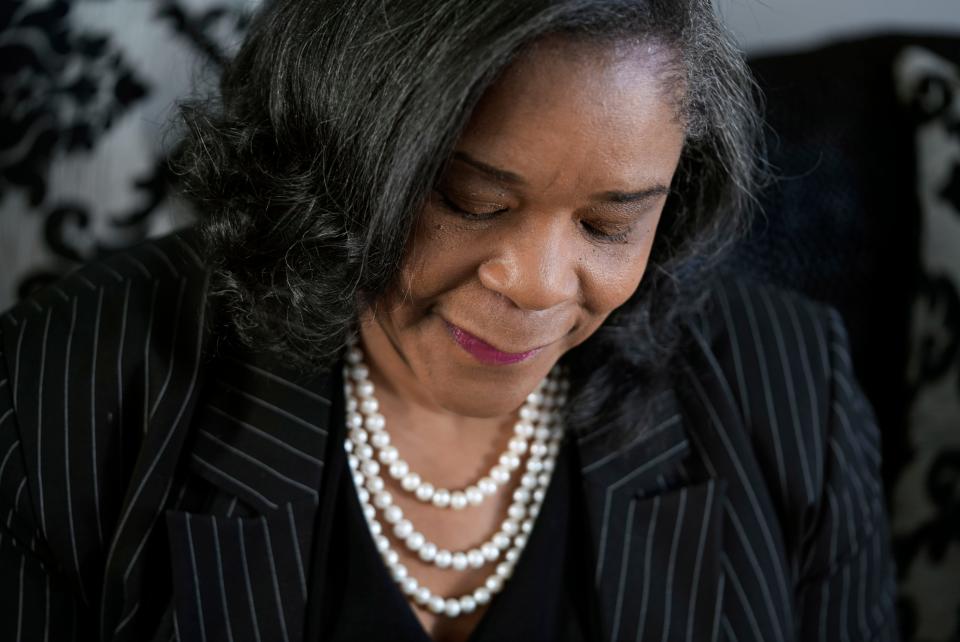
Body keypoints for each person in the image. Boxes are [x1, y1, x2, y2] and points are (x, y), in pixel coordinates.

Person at [0, 0, 899, 640]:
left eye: (608, 224)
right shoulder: (70, 387)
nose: (540, 285)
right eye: (470, 202)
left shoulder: (792, 391)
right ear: (336, 159)